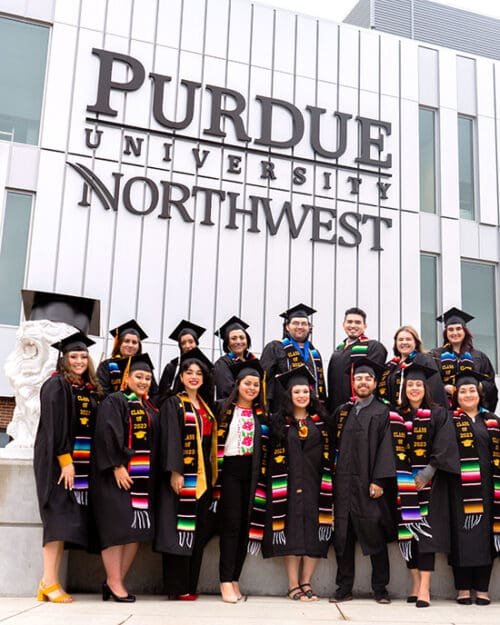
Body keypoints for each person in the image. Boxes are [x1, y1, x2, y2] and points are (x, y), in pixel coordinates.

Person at [34, 331, 101, 603]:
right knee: (56, 521)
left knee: (62, 525)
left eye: (83, 356)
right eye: (73, 356)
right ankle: (50, 582)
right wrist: (65, 461)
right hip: (57, 463)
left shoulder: (85, 388)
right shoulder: (56, 385)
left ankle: (46, 582)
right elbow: (55, 425)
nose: (79, 361)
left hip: (77, 465)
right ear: (63, 359)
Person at [388, 362, 458, 608]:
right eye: (410, 385)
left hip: (430, 485)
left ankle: (425, 589)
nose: (414, 389)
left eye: (419, 384)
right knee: (407, 533)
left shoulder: (438, 413)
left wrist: (427, 473)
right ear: (403, 388)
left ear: (426, 388)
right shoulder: (396, 415)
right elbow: (389, 449)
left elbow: (445, 444)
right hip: (403, 483)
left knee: (425, 535)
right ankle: (415, 583)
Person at [92, 353, 159, 602]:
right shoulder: (116, 401)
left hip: (141, 480)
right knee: (116, 529)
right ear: (127, 378)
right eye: (139, 377)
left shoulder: (150, 406)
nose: (143, 382)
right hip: (116, 478)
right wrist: (117, 466)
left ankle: (115, 580)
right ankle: (115, 581)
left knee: (136, 530)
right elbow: (107, 433)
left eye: (148, 378)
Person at [263, 366, 332, 602]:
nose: (301, 395)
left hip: (316, 485)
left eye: (305, 391)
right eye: (297, 392)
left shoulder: (322, 422)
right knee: (291, 532)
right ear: (289, 395)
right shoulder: (278, 423)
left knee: (314, 532)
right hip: (288, 485)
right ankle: (293, 585)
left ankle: (307, 582)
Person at [329, 356, 395, 604]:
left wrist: (378, 480)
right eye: (359, 378)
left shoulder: (383, 412)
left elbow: (386, 448)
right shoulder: (342, 412)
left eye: (368, 378)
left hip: (369, 485)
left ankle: (380, 589)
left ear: (375, 383)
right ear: (352, 383)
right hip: (343, 485)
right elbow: (331, 446)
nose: (363, 382)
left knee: (374, 536)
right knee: (343, 538)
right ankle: (343, 588)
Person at [155, 348, 218, 600]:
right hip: (184, 474)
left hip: (203, 477)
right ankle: (176, 587)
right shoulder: (174, 403)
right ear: (180, 377)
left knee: (198, 531)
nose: (194, 376)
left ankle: (190, 585)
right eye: (189, 373)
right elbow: (172, 438)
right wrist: (174, 471)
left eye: (198, 373)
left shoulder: (204, 405)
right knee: (179, 529)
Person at [213, 359, 269, 603]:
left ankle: (235, 578)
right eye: (248, 383)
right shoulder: (222, 409)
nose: (252, 388)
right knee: (231, 526)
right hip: (229, 472)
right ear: (238, 384)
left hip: (253, 471)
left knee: (246, 525)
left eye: (256, 385)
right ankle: (225, 580)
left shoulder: (262, 415)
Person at [448, 371, 500, 606]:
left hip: (489, 487)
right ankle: (461, 587)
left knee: (485, 534)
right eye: (462, 391)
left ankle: (481, 587)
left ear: (479, 394)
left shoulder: (492, 421)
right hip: (458, 487)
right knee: (461, 535)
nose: (468, 394)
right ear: (456, 396)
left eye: (471, 390)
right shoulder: (450, 420)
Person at [261, 304, 326, 413]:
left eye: (304, 324)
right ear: (287, 327)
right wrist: (266, 410)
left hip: (309, 411)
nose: (300, 327)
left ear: (309, 327)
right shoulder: (275, 347)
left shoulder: (314, 353)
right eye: (295, 323)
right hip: (281, 410)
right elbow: (265, 381)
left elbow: (320, 385)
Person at [430, 307, 498, 411]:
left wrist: (478, 386)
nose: (455, 333)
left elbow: (491, 386)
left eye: (458, 329)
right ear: (446, 333)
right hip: (446, 412)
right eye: (451, 329)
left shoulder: (479, 357)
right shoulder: (436, 355)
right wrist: (445, 388)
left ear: (465, 331)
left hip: (473, 411)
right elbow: (430, 381)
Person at [327, 307, 387, 412]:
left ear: (365, 326)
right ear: (343, 324)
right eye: (349, 322)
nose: (353, 326)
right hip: (336, 410)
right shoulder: (337, 352)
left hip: (362, 410)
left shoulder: (373, 347)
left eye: (358, 322)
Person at [377, 325, 447, 408]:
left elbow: (434, 388)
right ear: (396, 343)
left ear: (416, 342)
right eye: (400, 340)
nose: (404, 342)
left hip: (419, 412)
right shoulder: (391, 366)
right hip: (395, 413)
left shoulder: (424, 360)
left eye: (408, 339)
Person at [97, 319, 159, 403]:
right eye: (126, 341)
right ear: (119, 344)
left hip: (139, 410)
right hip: (114, 408)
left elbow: (154, 393)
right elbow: (103, 391)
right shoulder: (107, 365)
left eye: (134, 342)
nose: (130, 345)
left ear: (138, 346)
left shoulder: (143, 366)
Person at [158, 320, 206, 404]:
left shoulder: (205, 366)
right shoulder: (172, 367)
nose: (187, 346)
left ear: (196, 343)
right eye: (183, 343)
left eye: (191, 342)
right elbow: (162, 394)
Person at [213, 316, 258, 400]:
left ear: (247, 341)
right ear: (227, 343)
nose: (238, 341)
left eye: (242, 338)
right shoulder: (222, 364)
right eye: (233, 338)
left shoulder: (253, 361)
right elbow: (226, 391)